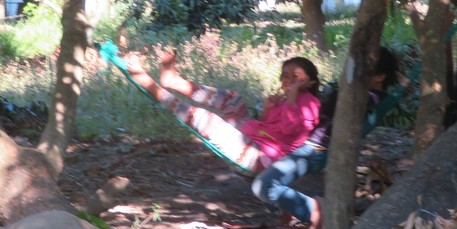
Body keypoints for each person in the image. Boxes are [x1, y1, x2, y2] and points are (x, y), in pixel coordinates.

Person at [251, 46, 409, 229]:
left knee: (264, 186)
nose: (353, 71)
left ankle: (321, 215)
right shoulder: (368, 94)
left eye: (362, 68)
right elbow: (403, 83)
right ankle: (303, 210)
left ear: (379, 77)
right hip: (307, 143)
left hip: (316, 147)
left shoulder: (364, 97)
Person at [123, 50, 321, 174]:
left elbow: (289, 129)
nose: (289, 81)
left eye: (296, 77)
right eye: (285, 76)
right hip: (252, 137)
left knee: (206, 119)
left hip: (260, 158)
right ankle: (173, 81)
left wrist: (292, 95)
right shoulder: (286, 100)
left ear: (309, 82)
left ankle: (150, 86)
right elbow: (270, 128)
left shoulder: (310, 104)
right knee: (233, 99)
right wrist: (268, 109)